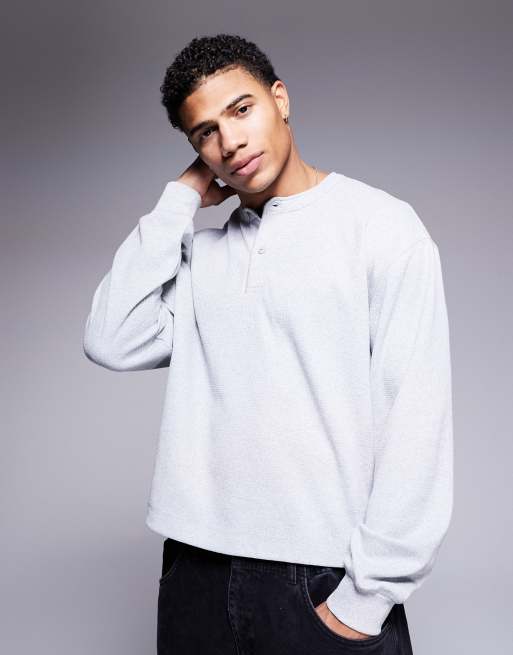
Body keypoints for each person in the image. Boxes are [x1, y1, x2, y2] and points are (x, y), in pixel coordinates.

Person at [83, 33, 453, 654]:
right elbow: (110, 338)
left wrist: (367, 600)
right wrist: (180, 199)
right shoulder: (201, 257)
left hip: (322, 581)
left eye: (241, 109)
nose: (229, 142)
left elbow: (416, 420)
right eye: (205, 132)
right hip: (196, 573)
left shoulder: (382, 229)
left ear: (280, 99)